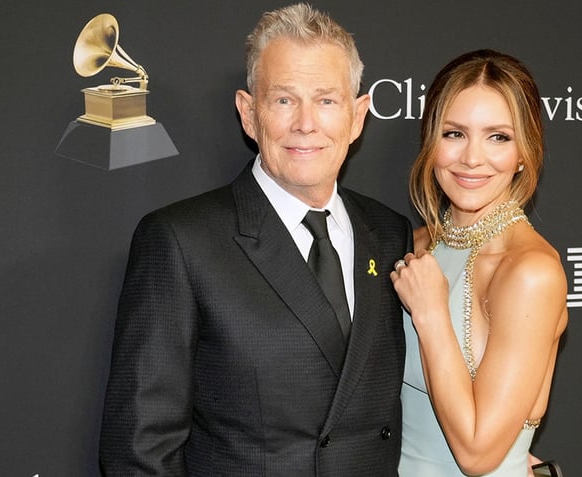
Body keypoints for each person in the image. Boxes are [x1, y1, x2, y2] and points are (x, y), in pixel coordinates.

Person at [99, 4, 412, 475]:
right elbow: (140, 451)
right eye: (284, 100)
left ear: (357, 115)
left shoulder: (390, 233)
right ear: (249, 113)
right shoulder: (182, 241)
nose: (306, 123)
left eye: (326, 100)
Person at [391, 49, 568, 476]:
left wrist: (432, 312)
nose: (472, 158)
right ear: (431, 140)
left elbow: (477, 454)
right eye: (454, 133)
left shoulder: (530, 272)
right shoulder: (412, 245)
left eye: (498, 137)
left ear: (524, 151)